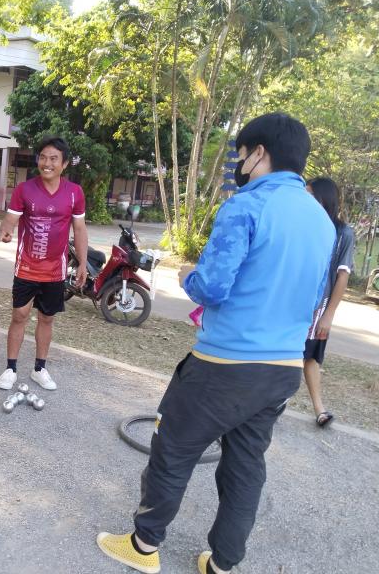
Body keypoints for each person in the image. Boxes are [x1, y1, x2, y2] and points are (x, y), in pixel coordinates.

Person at [95, 113, 335, 574]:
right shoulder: (321, 222)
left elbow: (213, 286)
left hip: (224, 364)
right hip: (284, 367)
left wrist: (189, 275)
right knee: (245, 464)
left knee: (173, 449)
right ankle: (222, 563)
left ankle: (143, 547)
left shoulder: (246, 206)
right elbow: (313, 295)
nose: (239, 164)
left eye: (241, 155)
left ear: (259, 153)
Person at [0, 136, 88, 391]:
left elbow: (80, 229)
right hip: (26, 266)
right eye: (43, 157)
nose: (47, 163)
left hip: (55, 271)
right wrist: (6, 230)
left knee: (47, 319)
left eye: (53, 159)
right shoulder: (24, 189)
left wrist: (82, 263)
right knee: (20, 315)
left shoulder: (74, 193)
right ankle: (10, 368)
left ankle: (39, 369)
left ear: (64, 164)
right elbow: (10, 219)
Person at [303, 177, 355, 427]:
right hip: (293, 302)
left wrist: (329, 315)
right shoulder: (302, 225)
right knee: (287, 354)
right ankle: (272, 404)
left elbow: (342, 275)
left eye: (311, 194)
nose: (306, 199)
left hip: (319, 309)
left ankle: (319, 410)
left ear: (325, 199)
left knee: (310, 357)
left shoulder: (343, 233)